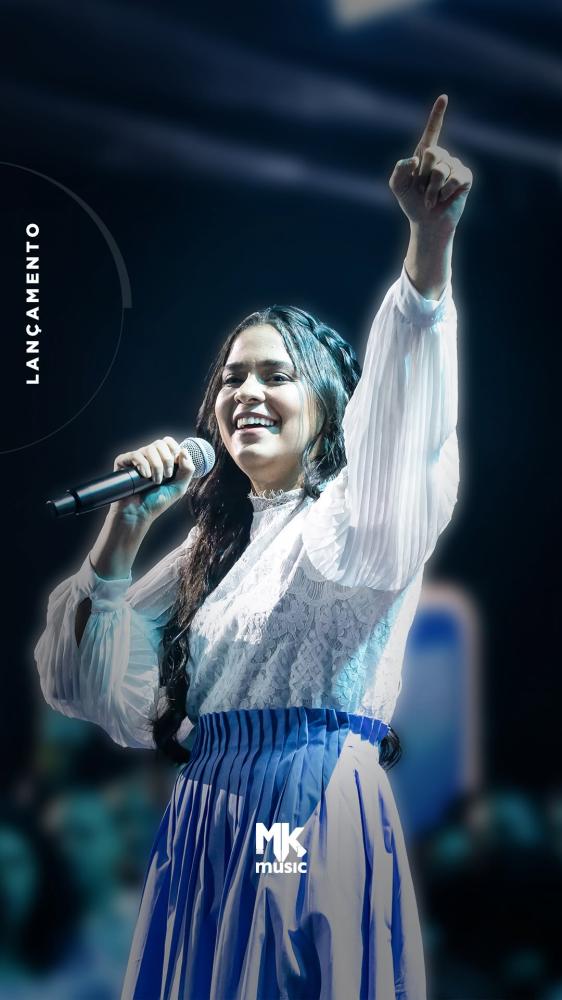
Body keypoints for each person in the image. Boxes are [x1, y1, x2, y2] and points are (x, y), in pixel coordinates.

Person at [34, 94, 472, 1000]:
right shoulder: (212, 550)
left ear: (325, 401)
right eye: (231, 378)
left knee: (280, 976)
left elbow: (404, 427)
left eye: (275, 374)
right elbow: (85, 687)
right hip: (207, 818)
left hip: (299, 810)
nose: (246, 392)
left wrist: (429, 253)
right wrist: (128, 524)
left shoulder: (352, 516)